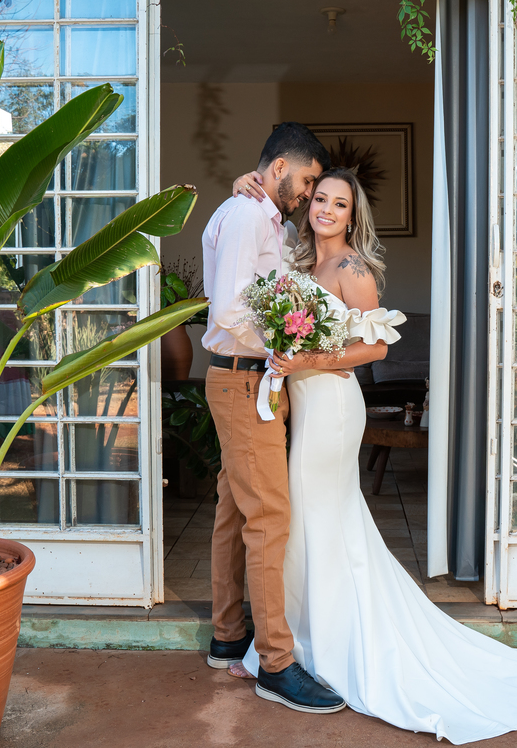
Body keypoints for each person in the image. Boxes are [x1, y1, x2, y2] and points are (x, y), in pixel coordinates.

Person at [228, 166, 517, 744]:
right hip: (303, 404)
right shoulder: (298, 262)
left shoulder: (353, 270)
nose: (325, 210)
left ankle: (325, 644)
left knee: (315, 517)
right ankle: (299, 639)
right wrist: (246, 184)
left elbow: (372, 348)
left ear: (352, 217)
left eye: (339, 205)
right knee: (308, 522)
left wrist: (307, 361)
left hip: (333, 408)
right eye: (320, 199)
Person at [200, 122, 347, 714]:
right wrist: (282, 344)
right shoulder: (245, 215)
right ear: (280, 167)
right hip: (243, 377)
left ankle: (227, 636)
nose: (309, 194)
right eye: (308, 181)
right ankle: (277, 664)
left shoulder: (265, 218)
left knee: (236, 508)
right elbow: (229, 308)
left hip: (246, 378)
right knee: (269, 516)